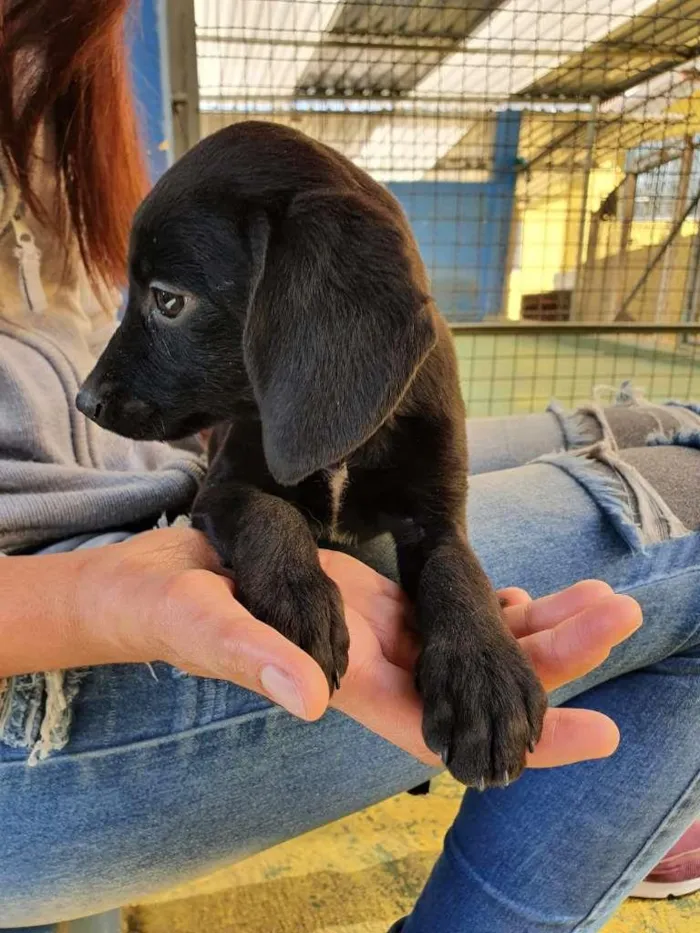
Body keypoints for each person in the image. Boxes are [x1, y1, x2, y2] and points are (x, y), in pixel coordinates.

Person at [0, 2, 698, 930]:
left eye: (161, 302)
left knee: (678, 424)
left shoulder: (46, 97)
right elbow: (235, 488)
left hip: (125, 472)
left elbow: (433, 524)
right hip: (62, 608)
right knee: (692, 506)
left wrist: (461, 618)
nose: (102, 381)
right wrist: (165, 571)